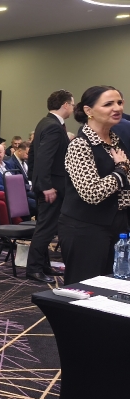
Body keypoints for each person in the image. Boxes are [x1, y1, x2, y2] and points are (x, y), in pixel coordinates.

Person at [59, 86, 129, 284]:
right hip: (85, 228)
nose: (117, 108)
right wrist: (121, 170)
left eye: (119, 102)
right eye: (108, 104)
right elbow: (92, 193)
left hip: (117, 224)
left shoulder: (117, 141)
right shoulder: (80, 145)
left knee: (112, 286)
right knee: (85, 289)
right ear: (88, 110)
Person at [26, 90, 74, 283]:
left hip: (47, 185)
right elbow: (44, 158)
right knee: (46, 229)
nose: (73, 108)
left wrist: (34, 180)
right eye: (72, 104)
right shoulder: (53, 126)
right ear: (65, 105)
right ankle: (34, 268)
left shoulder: (44, 123)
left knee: (45, 227)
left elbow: (32, 155)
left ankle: (43, 265)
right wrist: (45, 186)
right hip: (52, 187)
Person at [0, 143, 34, 221]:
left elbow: (16, 181)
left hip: (17, 192)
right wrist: (13, 191)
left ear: (4, 153)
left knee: (40, 197)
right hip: (5, 194)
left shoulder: (8, 164)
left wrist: (24, 188)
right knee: (34, 204)